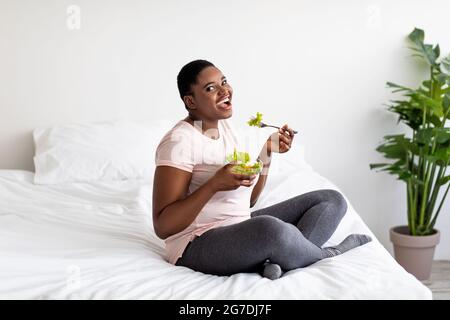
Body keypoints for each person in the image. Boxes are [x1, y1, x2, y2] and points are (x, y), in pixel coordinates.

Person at [152, 59, 371, 280]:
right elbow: (163, 225)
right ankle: (327, 254)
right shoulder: (179, 141)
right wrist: (215, 184)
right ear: (191, 101)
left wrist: (267, 152)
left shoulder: (224, 129)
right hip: (196, 243)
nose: (224, 90)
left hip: (239, 225)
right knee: (271, 230)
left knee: (331, 200)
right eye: (211, 88)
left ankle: (281, 261)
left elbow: (248, 203)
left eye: (224, 82)